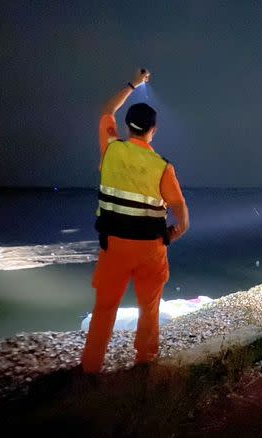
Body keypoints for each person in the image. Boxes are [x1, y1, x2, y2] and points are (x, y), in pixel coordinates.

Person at [81, 69, 190, 373]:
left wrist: (134, 83)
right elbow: (183, 218)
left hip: (114, 247)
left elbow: (106, 110)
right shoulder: (162, 167)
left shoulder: (112, 150)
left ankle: (90, 368)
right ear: (152, 131)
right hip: (150, 250)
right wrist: (171, 235)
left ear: (127, 127)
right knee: (149, 308)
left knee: (104, 310)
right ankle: (144, 362)